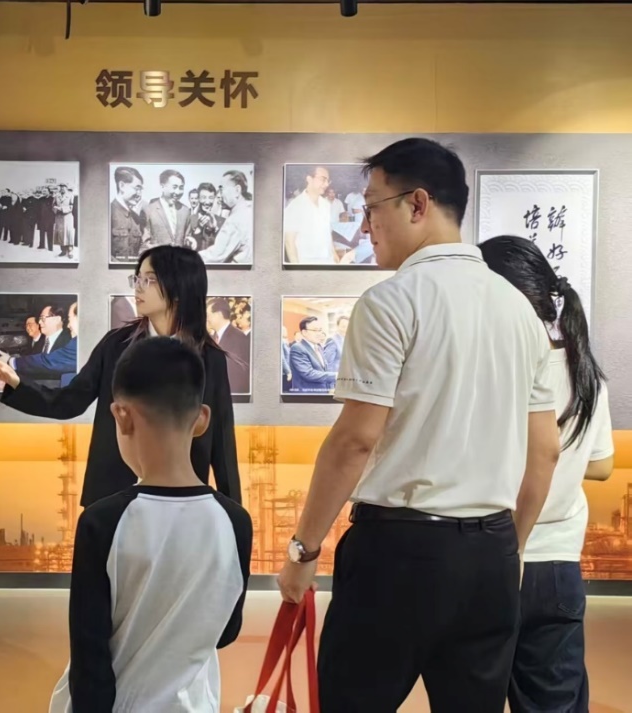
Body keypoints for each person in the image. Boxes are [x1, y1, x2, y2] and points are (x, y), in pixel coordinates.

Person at [276, 138, 562, 713]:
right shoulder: (519, 312)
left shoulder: (391, 302)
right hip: (492, 551)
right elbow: (546, 450)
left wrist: (303, 551)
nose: (365, 226)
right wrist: (509, 550)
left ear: (417, 203)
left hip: (398, 552)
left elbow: (356, 440)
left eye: (371, 207)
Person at [47, 337, 252, 712]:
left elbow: (90, 658)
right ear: (202, 419)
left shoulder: (102, 522)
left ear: (121, 416)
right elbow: (226, 631)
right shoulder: (235, 521)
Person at [0, 245, 241, 507]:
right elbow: (69, 401)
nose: (138, 287)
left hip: (183, 501)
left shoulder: (209, 358)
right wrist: (17, 384)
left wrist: (235, 516)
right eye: (137, 278)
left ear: (179, 289)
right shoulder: (116, 345)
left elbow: (222, 443)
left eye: (149, 280)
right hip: (111, 496)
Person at [480, 236, 614, 713]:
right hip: (559, 566)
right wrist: (566, 471)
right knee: (557, 698)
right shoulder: (585, 372)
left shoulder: (497, 369)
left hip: (498, 556)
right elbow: (602, 465)